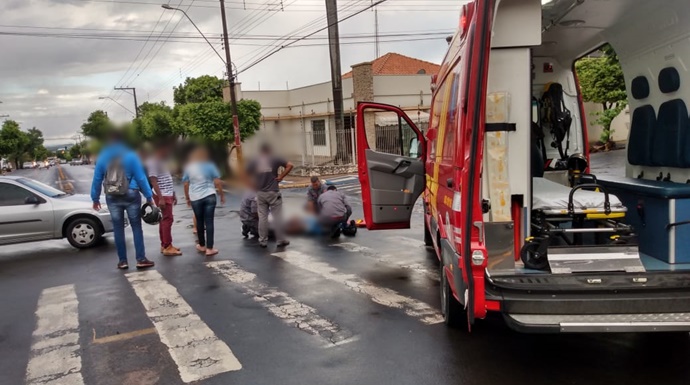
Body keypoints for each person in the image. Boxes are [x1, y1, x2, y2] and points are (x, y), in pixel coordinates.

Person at [91, 131, 156, 270]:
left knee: (118, 229)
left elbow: (97, 179)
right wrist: (149, 197)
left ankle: (122, 261)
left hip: (112, 196)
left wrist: (95, 198)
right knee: (136, 227)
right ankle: (140, 259)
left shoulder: (103, 157)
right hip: (131, 194)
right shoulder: (131, 155)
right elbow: (141, 178)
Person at [246, 143, 294, 248]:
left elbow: (246, 174)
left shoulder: (255, 160)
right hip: (273, 192)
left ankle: (263, 241)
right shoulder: (275, 158)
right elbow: (290, 165)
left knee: (262, 218)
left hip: (260, 193)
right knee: (277, 217)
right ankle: (280, 240)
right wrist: (281, 176)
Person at [183, 146, 224, 257]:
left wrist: (187, 197)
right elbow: (217, 181)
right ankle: (210, 248)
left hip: (195, 197)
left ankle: (202, 246)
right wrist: (222, 195)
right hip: (209, 195)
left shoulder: (189, 168)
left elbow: (186, 184)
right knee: (209, 221)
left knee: (199, 220)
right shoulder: (210, 166)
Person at [147, 144, 181, 256]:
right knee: (168, 219)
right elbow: (153, 180)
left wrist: (173, 193)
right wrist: (161, 198)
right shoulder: (153, 162)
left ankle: (164, 244)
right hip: (163, 195)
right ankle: (167, 246)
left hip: (167, 193)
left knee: (164, 219)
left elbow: (168, 178)